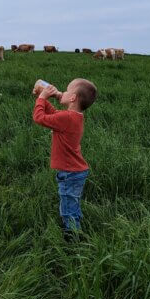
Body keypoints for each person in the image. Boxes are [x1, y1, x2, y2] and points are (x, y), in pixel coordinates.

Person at [33, 78, 97, 239]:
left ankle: (73, 238)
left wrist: (42, 99)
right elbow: (54, 114)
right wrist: (44, 96)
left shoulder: (68, 118)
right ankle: (74, 227)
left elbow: (39, 118)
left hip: (70, 173)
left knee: (68, 209)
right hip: (74, 172)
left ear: (73, 98)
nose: (63, 91)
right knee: (70, 204)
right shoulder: (73, 116)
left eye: (67, 90)